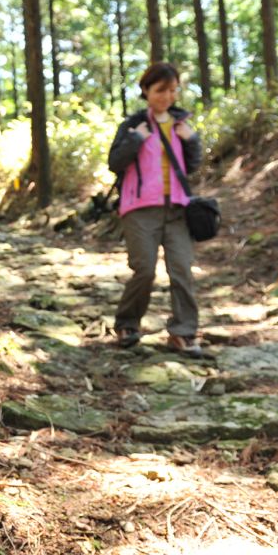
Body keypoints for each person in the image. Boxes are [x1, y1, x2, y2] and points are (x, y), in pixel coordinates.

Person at [107, 62, 204, 357]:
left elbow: (193, 165)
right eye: (161, 90)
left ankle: (183, 332)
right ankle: (127, 323)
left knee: (182, 270)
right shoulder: (133, 125)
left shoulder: (181, 124)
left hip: (177, 208)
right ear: (147, 90)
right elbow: (114, 163)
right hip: (139, 209)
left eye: (173, 90)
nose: (167, 96)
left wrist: (192, 141)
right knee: (144, 270)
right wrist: (136, 139)